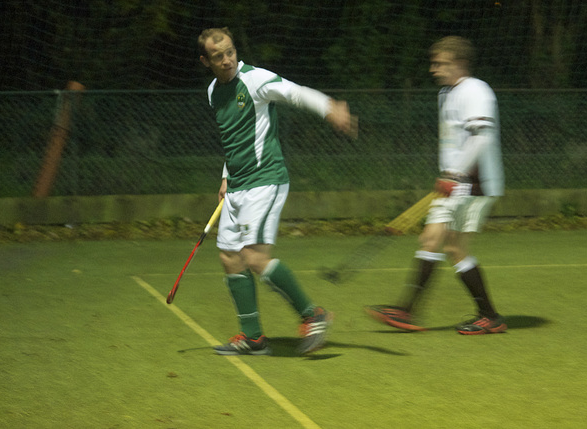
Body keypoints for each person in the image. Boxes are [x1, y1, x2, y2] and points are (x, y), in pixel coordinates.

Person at [198, 27, 356, 355]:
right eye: (218, 57)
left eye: (230, 52)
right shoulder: (214, 91)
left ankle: (314, 316)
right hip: (238, 186)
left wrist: (329, 107)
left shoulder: (255, 80)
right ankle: (253, 338)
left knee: (254, 257)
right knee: (230, 258)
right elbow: (232, 138)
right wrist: (226, 176)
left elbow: (295, 93)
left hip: (265, 180)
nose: (227, 60)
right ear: (206, 61)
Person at [366, 36, 506, 335]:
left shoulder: (475, 90)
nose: (434, 68)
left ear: (459, 63)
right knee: (432, 242)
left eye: (440, 63)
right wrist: (447, 173)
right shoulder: (446, 93)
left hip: (473, 184)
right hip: (455, 182)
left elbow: (481, 136)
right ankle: (408, 311)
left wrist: (454, 173)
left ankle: (488, 315)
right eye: (433, 63)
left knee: (454, 247)